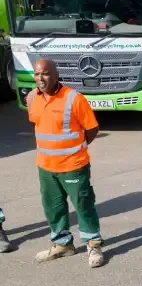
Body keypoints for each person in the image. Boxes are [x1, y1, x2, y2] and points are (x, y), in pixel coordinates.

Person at [26, 59, 105, 267]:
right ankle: (63, 245)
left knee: (83, 206)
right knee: (53, 207)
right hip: (45, 166)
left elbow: (92, 128)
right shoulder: (32, 98)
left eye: (45, 74)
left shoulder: (73, 98)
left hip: (73, 165)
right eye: (37, 74)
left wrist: (77, 148)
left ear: (56, 75)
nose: (40, 79)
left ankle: (93, 244)